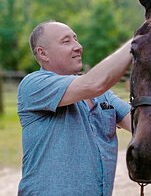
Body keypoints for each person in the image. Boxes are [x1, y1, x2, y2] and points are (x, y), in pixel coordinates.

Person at [17, 20, 132, 196]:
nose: (78, 46)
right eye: (66, 41)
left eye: (76, 39)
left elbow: (139, 123)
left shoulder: (103, 95)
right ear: (43, 53)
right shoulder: (32, 85)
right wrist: (140, 39)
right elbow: (94, 83)